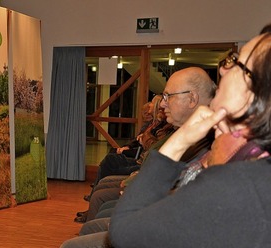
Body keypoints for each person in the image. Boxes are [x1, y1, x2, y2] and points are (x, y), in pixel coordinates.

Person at [110, 32, 271, 247]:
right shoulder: (254, 161)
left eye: (237, 62)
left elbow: (123, 232)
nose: (223, 68)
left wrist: (180, 140)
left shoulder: (239, 183)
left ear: (256, 93)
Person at [63, 67, 217, 247]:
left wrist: (136, 193)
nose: (162, 104)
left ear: (192, 98)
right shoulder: (193, 136)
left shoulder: (209, 142)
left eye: (168, 96)